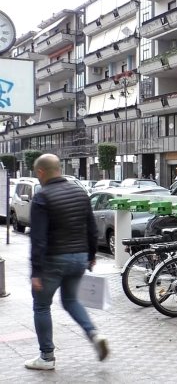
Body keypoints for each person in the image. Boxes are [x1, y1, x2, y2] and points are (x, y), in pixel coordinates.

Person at [25, 154, 109, 370]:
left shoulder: (42, 197)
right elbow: (91, 227)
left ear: (41, 172)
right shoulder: (79, 192)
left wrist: (36, 272)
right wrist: (91, 256)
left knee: (42, 306)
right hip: (79, 257)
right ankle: (94, 333)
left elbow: (38, 239)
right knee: (71, 300)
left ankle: (46, 357)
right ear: (59, 169)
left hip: (54, 259)